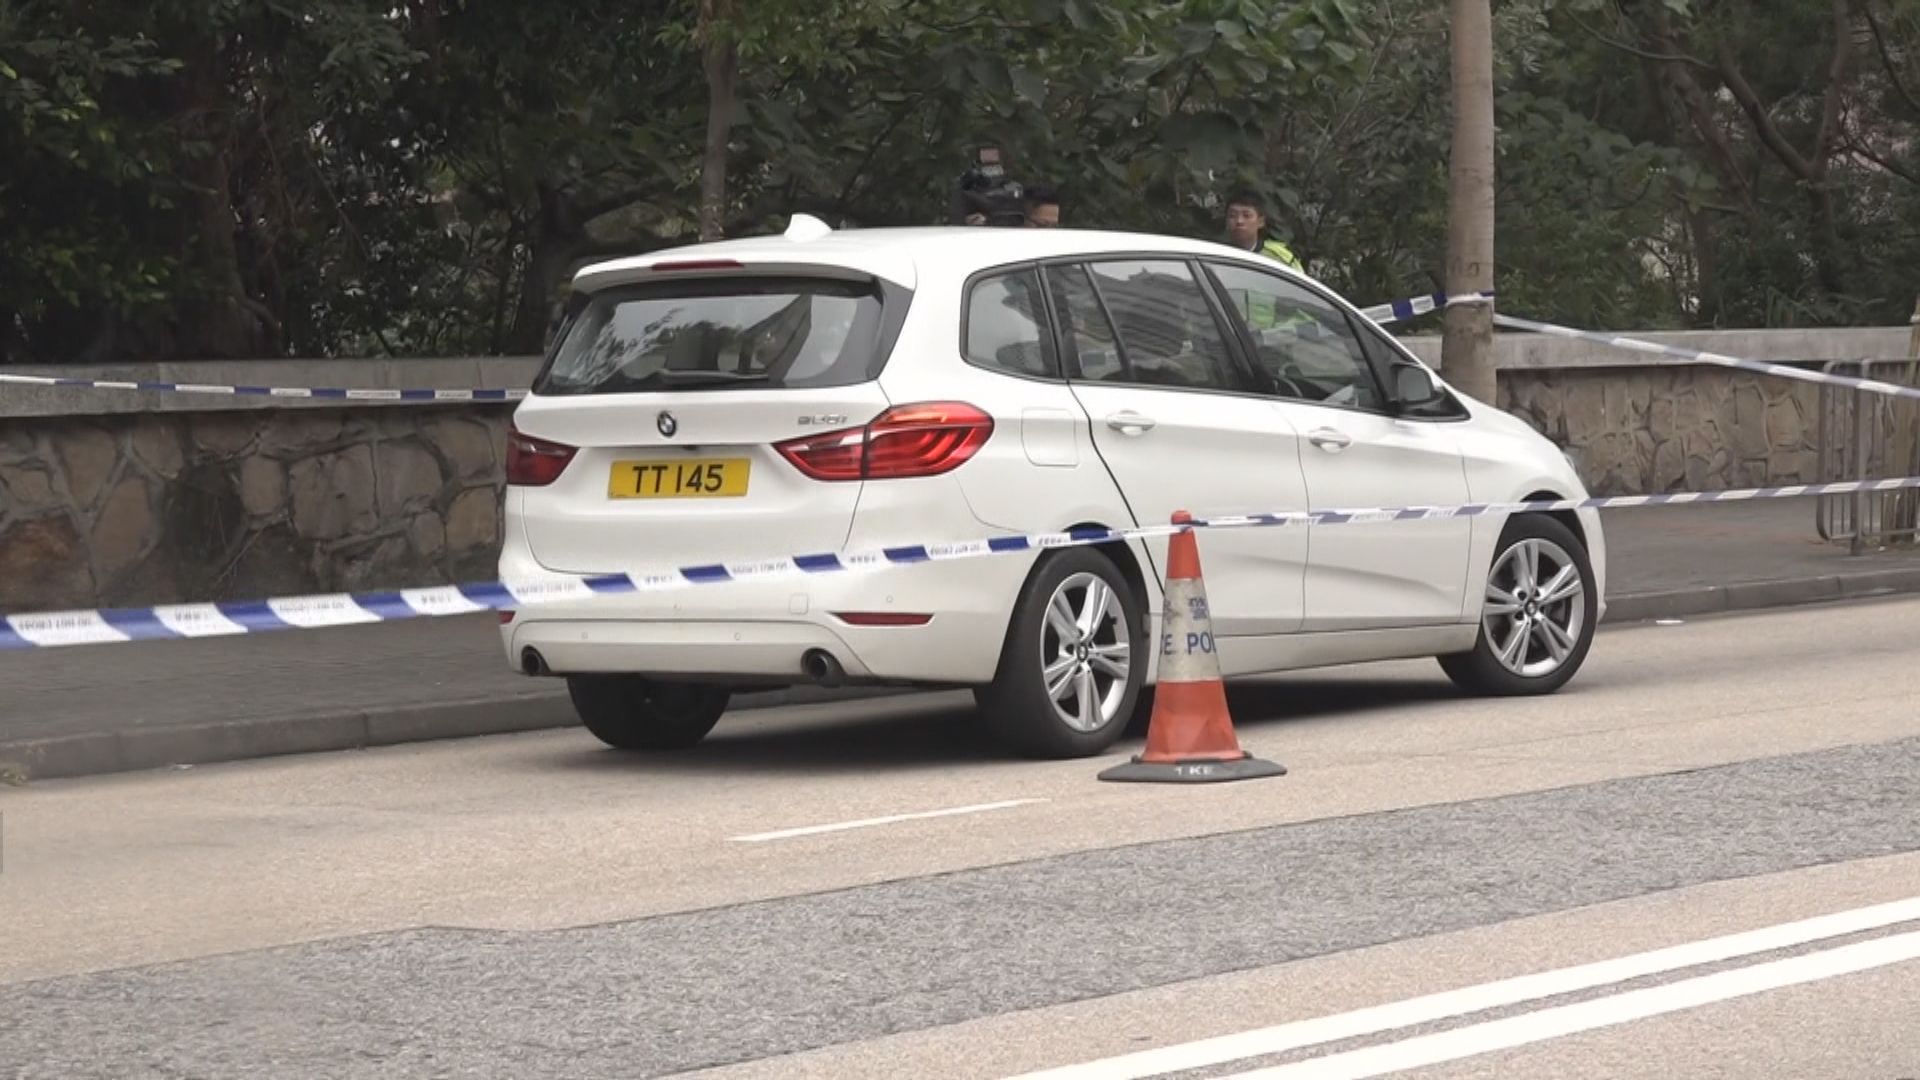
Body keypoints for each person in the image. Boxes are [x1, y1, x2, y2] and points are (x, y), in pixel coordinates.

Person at [1223, 189, 1302, 272]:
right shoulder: (1216, 254)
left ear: (1261, 222)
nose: (1239, 221)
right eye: (1232, 215)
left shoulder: (1280, 259)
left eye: (1246, 215)